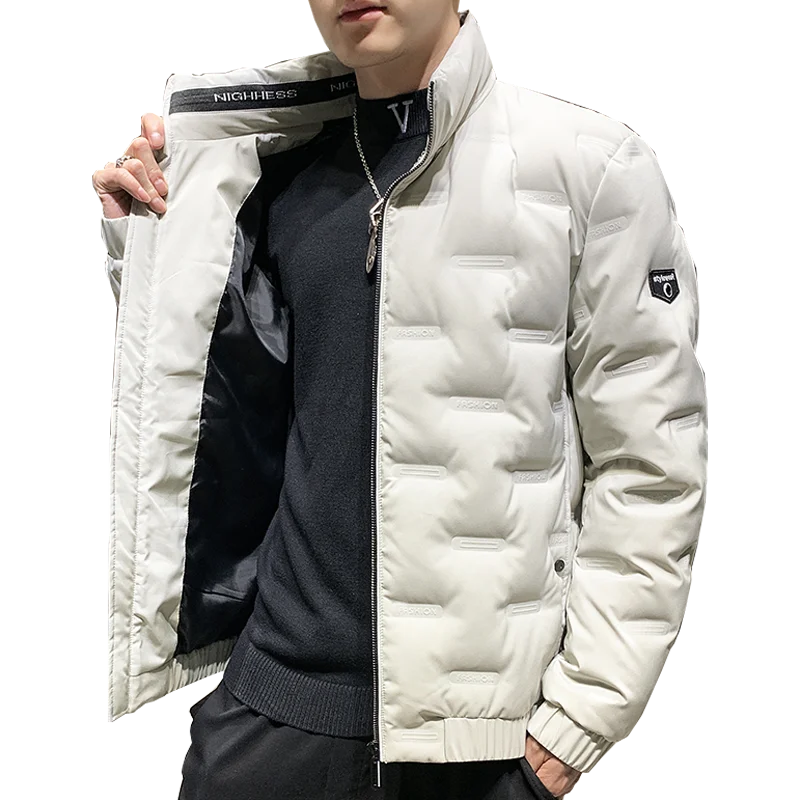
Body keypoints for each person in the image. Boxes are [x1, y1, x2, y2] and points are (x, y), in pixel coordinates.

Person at [93, 2, 708, 799]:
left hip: (478, 750)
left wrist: (576, 725)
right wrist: (147, 241)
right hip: (266, 721)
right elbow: (220, 417)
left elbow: (652, 468)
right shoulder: (263, 168)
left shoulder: (590, 168)